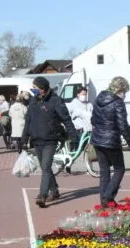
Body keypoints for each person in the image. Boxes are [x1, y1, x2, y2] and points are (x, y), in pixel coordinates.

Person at [21, 76, 78, 208]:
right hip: (37, 139)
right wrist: (24, 140)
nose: (32, 90)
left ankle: (42, 196)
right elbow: (28, 121)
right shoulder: (33, 101)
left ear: (42, 89)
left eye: (35, 88)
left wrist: (74, 137)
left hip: (51, 139)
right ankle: (55, 190)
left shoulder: (56, 101)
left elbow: (67, 120)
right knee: (44, 167)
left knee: (46, 167)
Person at [90, 76, 130, 207]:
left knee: (104, 171)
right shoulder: (118, 103)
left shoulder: (99, 99)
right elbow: (123, 125)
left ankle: (105, 201)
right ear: (120, 89)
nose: (125, 95)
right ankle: (108, 196)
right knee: (119, 169)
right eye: (125, 92)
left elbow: (93, 120)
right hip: (111, 140)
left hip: (97, 139)